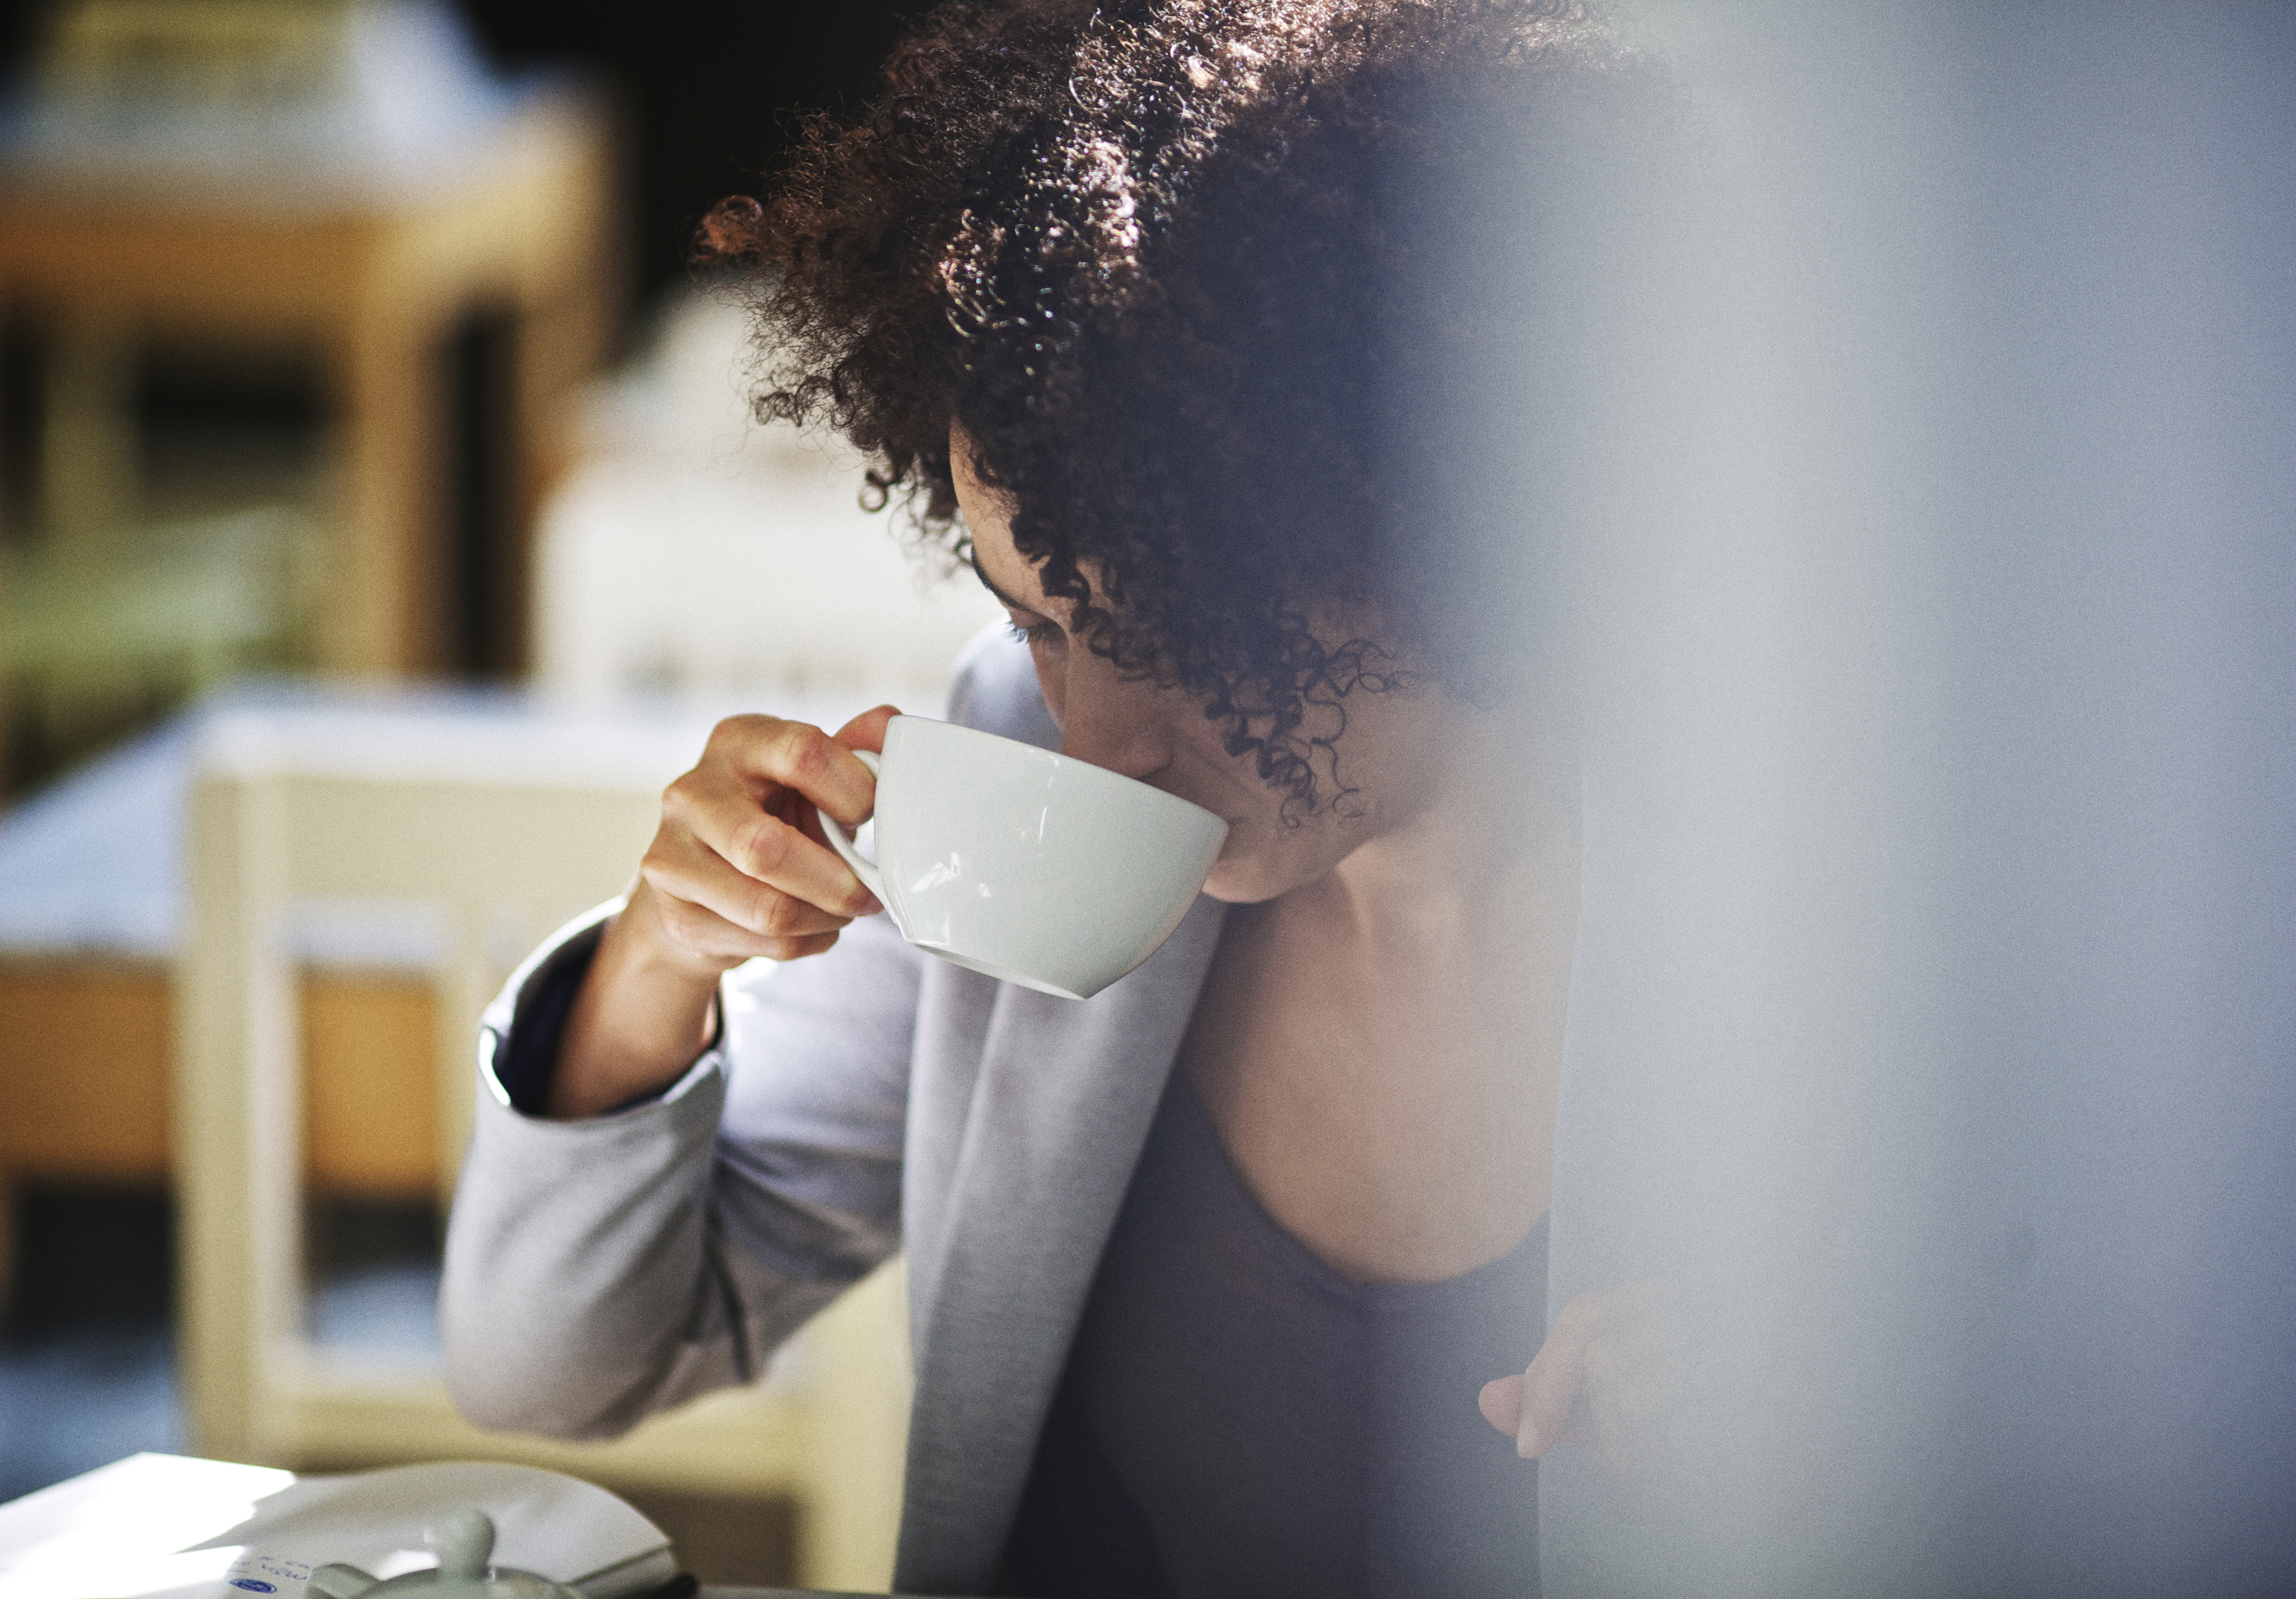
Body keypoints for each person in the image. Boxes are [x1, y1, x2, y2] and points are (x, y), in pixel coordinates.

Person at [442, 2, 1673, 1594]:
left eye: (1193, 634)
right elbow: (553, 1371)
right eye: (1038, 615)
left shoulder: (1814, 899)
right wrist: (662, 964)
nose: (1101, 738)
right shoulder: (1019, 784)